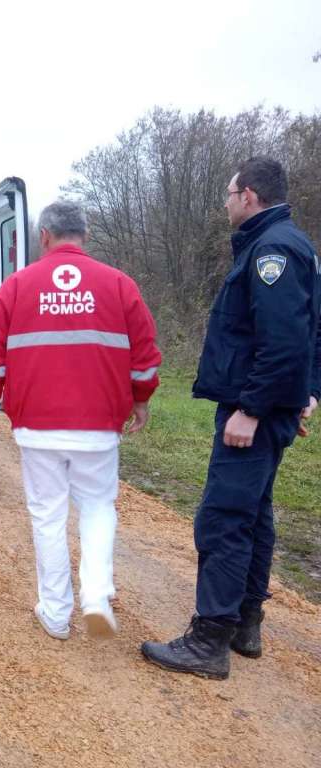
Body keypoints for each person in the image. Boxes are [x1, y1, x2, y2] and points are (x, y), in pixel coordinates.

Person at [142, 157, 320, 680]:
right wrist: (304, 392)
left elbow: (287, 340)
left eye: (228, 194)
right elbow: (312, 329)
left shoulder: (272, 251)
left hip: (254, 410)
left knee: (222, 518)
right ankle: (245, 624)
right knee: (254, 514)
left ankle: (209, 639)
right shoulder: (293, 243)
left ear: (249, 196)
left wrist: (254, 408)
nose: (223, 203)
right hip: (272, 403)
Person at [0, 201, 161, 641]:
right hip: (98, 426)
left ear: (43, 237)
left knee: (47, 515)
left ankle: (56, 614)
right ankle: (96, 595)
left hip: (37, 425)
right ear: (86, 234)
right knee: (97, 507)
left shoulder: (18, 286)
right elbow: (145, 354)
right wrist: (140, 400)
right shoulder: (119, 285)